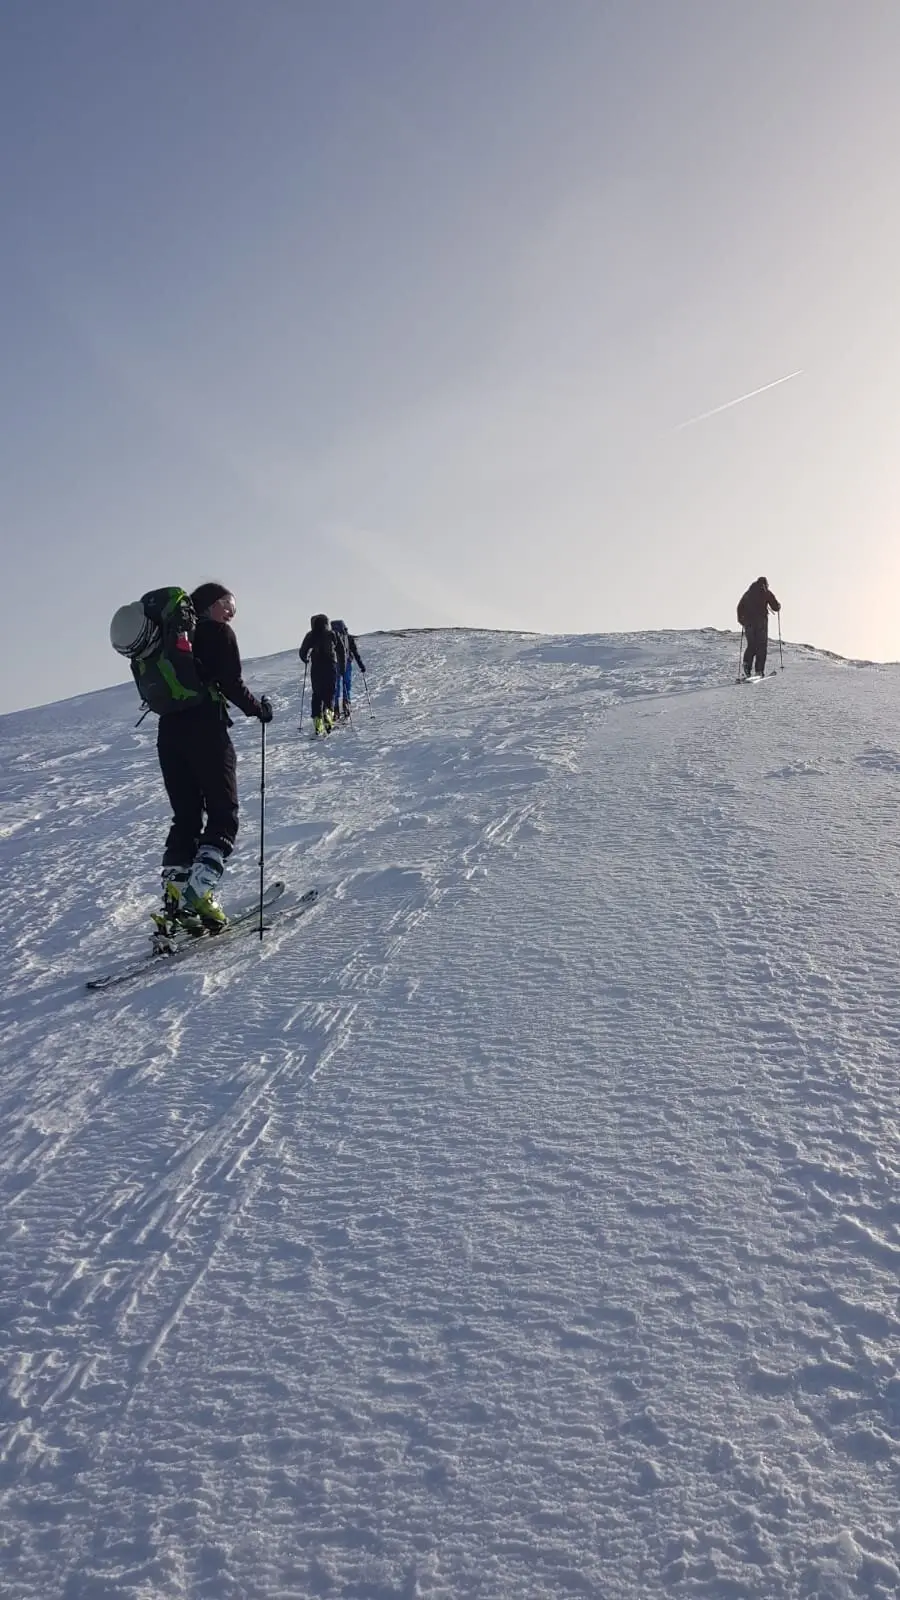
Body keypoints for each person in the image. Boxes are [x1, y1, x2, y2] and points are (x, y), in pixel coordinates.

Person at [112, 582, 273, 933]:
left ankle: (174, 898)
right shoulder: (217, 633)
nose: (231, 612)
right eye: (227, 603)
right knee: (222, 812)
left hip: (169, 733)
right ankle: (199, 894)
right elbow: (230, 683)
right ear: (208, 604)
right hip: (206, 728)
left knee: (185, 817)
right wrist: (258, 709)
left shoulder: (168, 642)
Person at [299, 614, 346, 736]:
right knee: (330, 693)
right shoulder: (332, 634)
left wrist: (305, 659)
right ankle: (328, 718)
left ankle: (318, 723)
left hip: (316, 667)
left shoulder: (311, 635)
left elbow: (302, 652)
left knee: (317, 695)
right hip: (330, 666)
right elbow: (341, 650)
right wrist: (342, 668)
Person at [737, 576, 780, 678]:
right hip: (761, 622)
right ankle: (759, 671)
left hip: (749, 624)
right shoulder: (765, 592)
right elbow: (775, 606)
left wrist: (742, 621)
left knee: (751, 645)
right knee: (761, 646)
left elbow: (739, 607)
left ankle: (747, 665)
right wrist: (778, 606)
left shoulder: (748, 593)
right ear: (765, 584)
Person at [330, 619, 366, 720]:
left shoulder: (332, 638)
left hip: (335, 664)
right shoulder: (348, 638)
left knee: (336, 686)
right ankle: (346, 704)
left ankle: (336, 708)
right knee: (347, 684)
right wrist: (361, 665)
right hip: (347, 663)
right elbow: (355, 652)